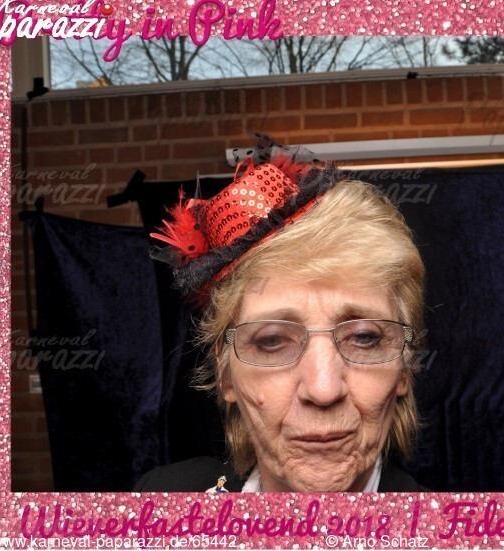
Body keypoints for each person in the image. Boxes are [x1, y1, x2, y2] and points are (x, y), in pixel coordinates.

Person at [134, 133, 427, 492]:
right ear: (226, 374)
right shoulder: (160, 503)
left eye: (365, 338)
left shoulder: (455, 526)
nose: (323, 390)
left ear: (404, 370)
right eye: (272, 341)